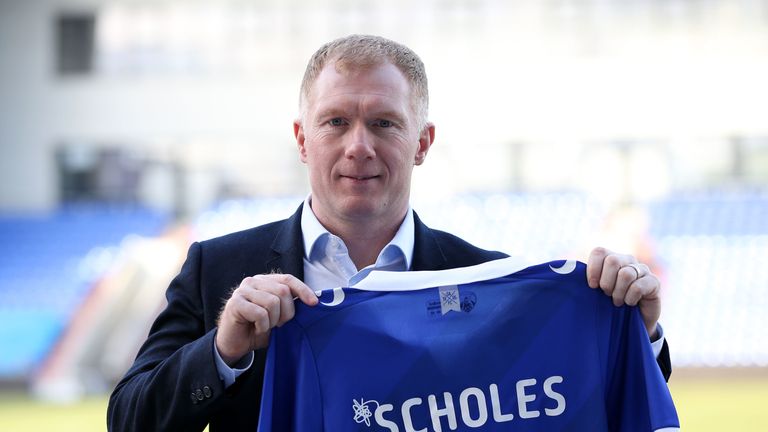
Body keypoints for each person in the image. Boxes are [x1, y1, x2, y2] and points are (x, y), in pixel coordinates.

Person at [107, 34, 670, 432]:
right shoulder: (219, 271)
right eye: (336, 122)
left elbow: (591, 397)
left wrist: (635, 330)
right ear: (303, 139)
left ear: (422, 142)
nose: (359, 146)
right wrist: (224, 350)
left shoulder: (491, 282)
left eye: (383, 123)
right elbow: (128, 418)